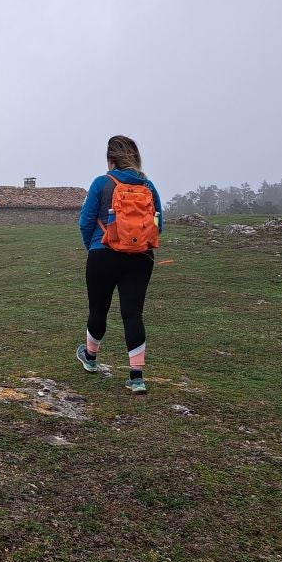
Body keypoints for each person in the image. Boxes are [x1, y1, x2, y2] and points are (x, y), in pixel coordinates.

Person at [76, 135, 163, 394]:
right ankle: (137, 377)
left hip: (102, 254)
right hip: (141, 258)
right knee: (133, 314)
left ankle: (90, 357)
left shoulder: (101, 183)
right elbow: (158, 225)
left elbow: (85, 221)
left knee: (98, 309)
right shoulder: (148, 186)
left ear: (110, 159)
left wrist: (93, 247)